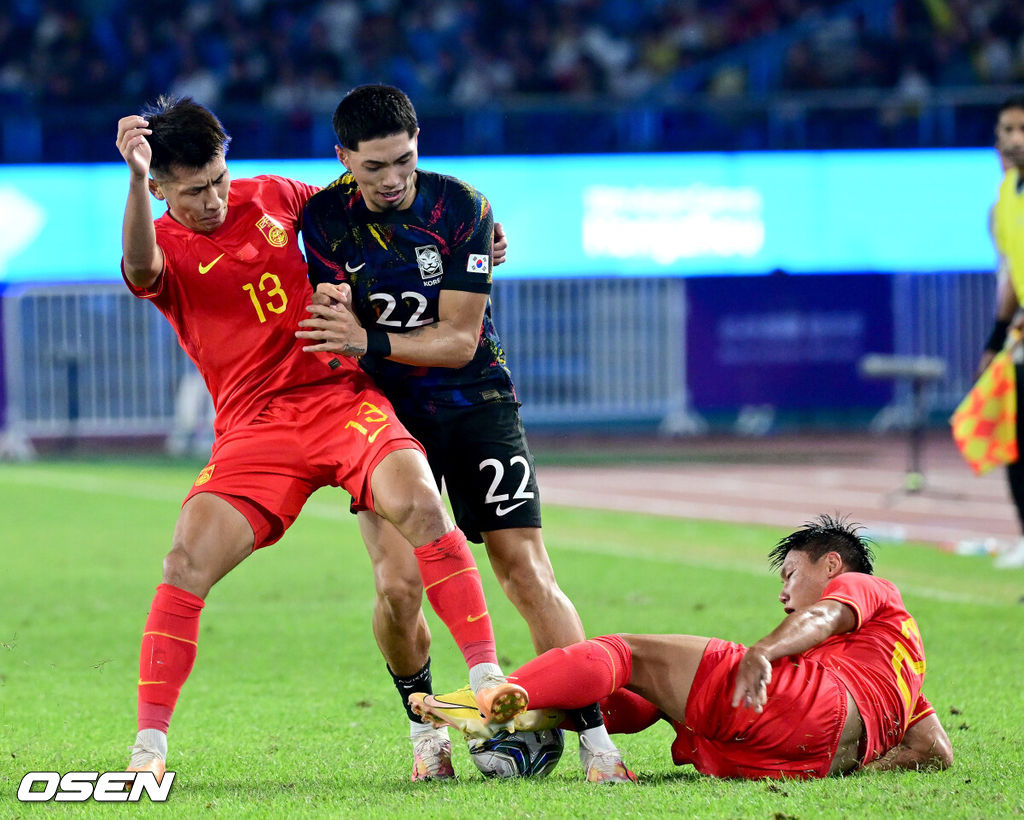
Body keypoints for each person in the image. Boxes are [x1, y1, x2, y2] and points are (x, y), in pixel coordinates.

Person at [114, 95, 523, 781]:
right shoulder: (164, 246)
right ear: (158, 189)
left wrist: (470, 233)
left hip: (342, 401)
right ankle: (148, 751)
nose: (213, 199)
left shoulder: (275, 194)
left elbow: (368, 195)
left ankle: (486, 677)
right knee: (184, 563)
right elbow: (142, 266)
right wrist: (131, 179)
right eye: (191, 192)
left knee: (423, 507)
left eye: (218, 179)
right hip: (257, 429)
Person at [294, 84, 633, 783]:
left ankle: (600, 746)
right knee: (396, 587)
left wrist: (367, 338)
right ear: (343, 160)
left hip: (477, 400)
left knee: (525, 570)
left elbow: (455, 340)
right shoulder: (325, 219)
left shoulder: (462, 208)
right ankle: (426, 739)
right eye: (374, 168)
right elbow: (331, 319)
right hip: (383, 419)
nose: (392, 180)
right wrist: (343, 330)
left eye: (405, 161)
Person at [413, 514, 954, 780]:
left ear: (831, 565)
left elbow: (823, 615)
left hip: (809, 707)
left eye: (791, 573)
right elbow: (934, 751)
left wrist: (765, 651)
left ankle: (496, 693)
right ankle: (541, 716)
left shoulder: (869, 590)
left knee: (626, 652)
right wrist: (855, 769)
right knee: (649, 699)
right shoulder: (902, 668)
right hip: (791, 761)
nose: (784, 591)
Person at [977, 93, 1024, 569]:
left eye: (1023, 130)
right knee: (1016, 442)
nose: (1015, 140)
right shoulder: (1005, 196)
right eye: (1007, 131)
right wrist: (995, 336)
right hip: (1020, 337)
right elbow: (1012, 271)